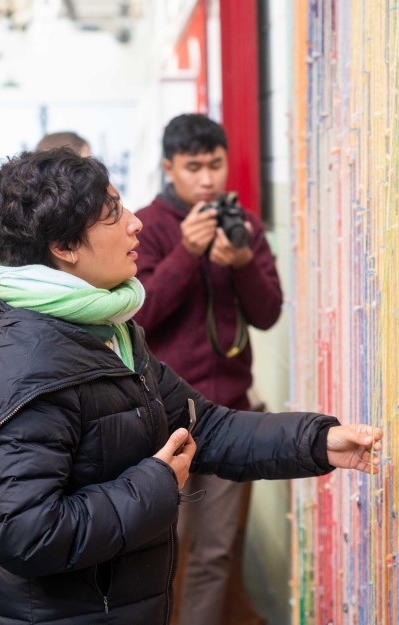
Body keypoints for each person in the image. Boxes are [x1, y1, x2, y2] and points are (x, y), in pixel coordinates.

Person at [0, 148, 381, 624]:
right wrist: (156, 483)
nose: (135, 224)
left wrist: (319, 441)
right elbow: (27, 535)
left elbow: (201, 427)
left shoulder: (105, 329)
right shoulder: (17, 364)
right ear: (64, 246)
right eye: (112, 216)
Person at [132, 113, 278, 625]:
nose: (208, 179)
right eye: (194, 167)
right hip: (161, 416)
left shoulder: (244, 226)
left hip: (230, 414)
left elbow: (267, 313)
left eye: (215, 165)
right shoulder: (144, 227)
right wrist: (187, 252)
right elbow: (140, 316)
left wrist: (240, 260)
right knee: (156, 552)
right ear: (169, 167)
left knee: (214, 554)